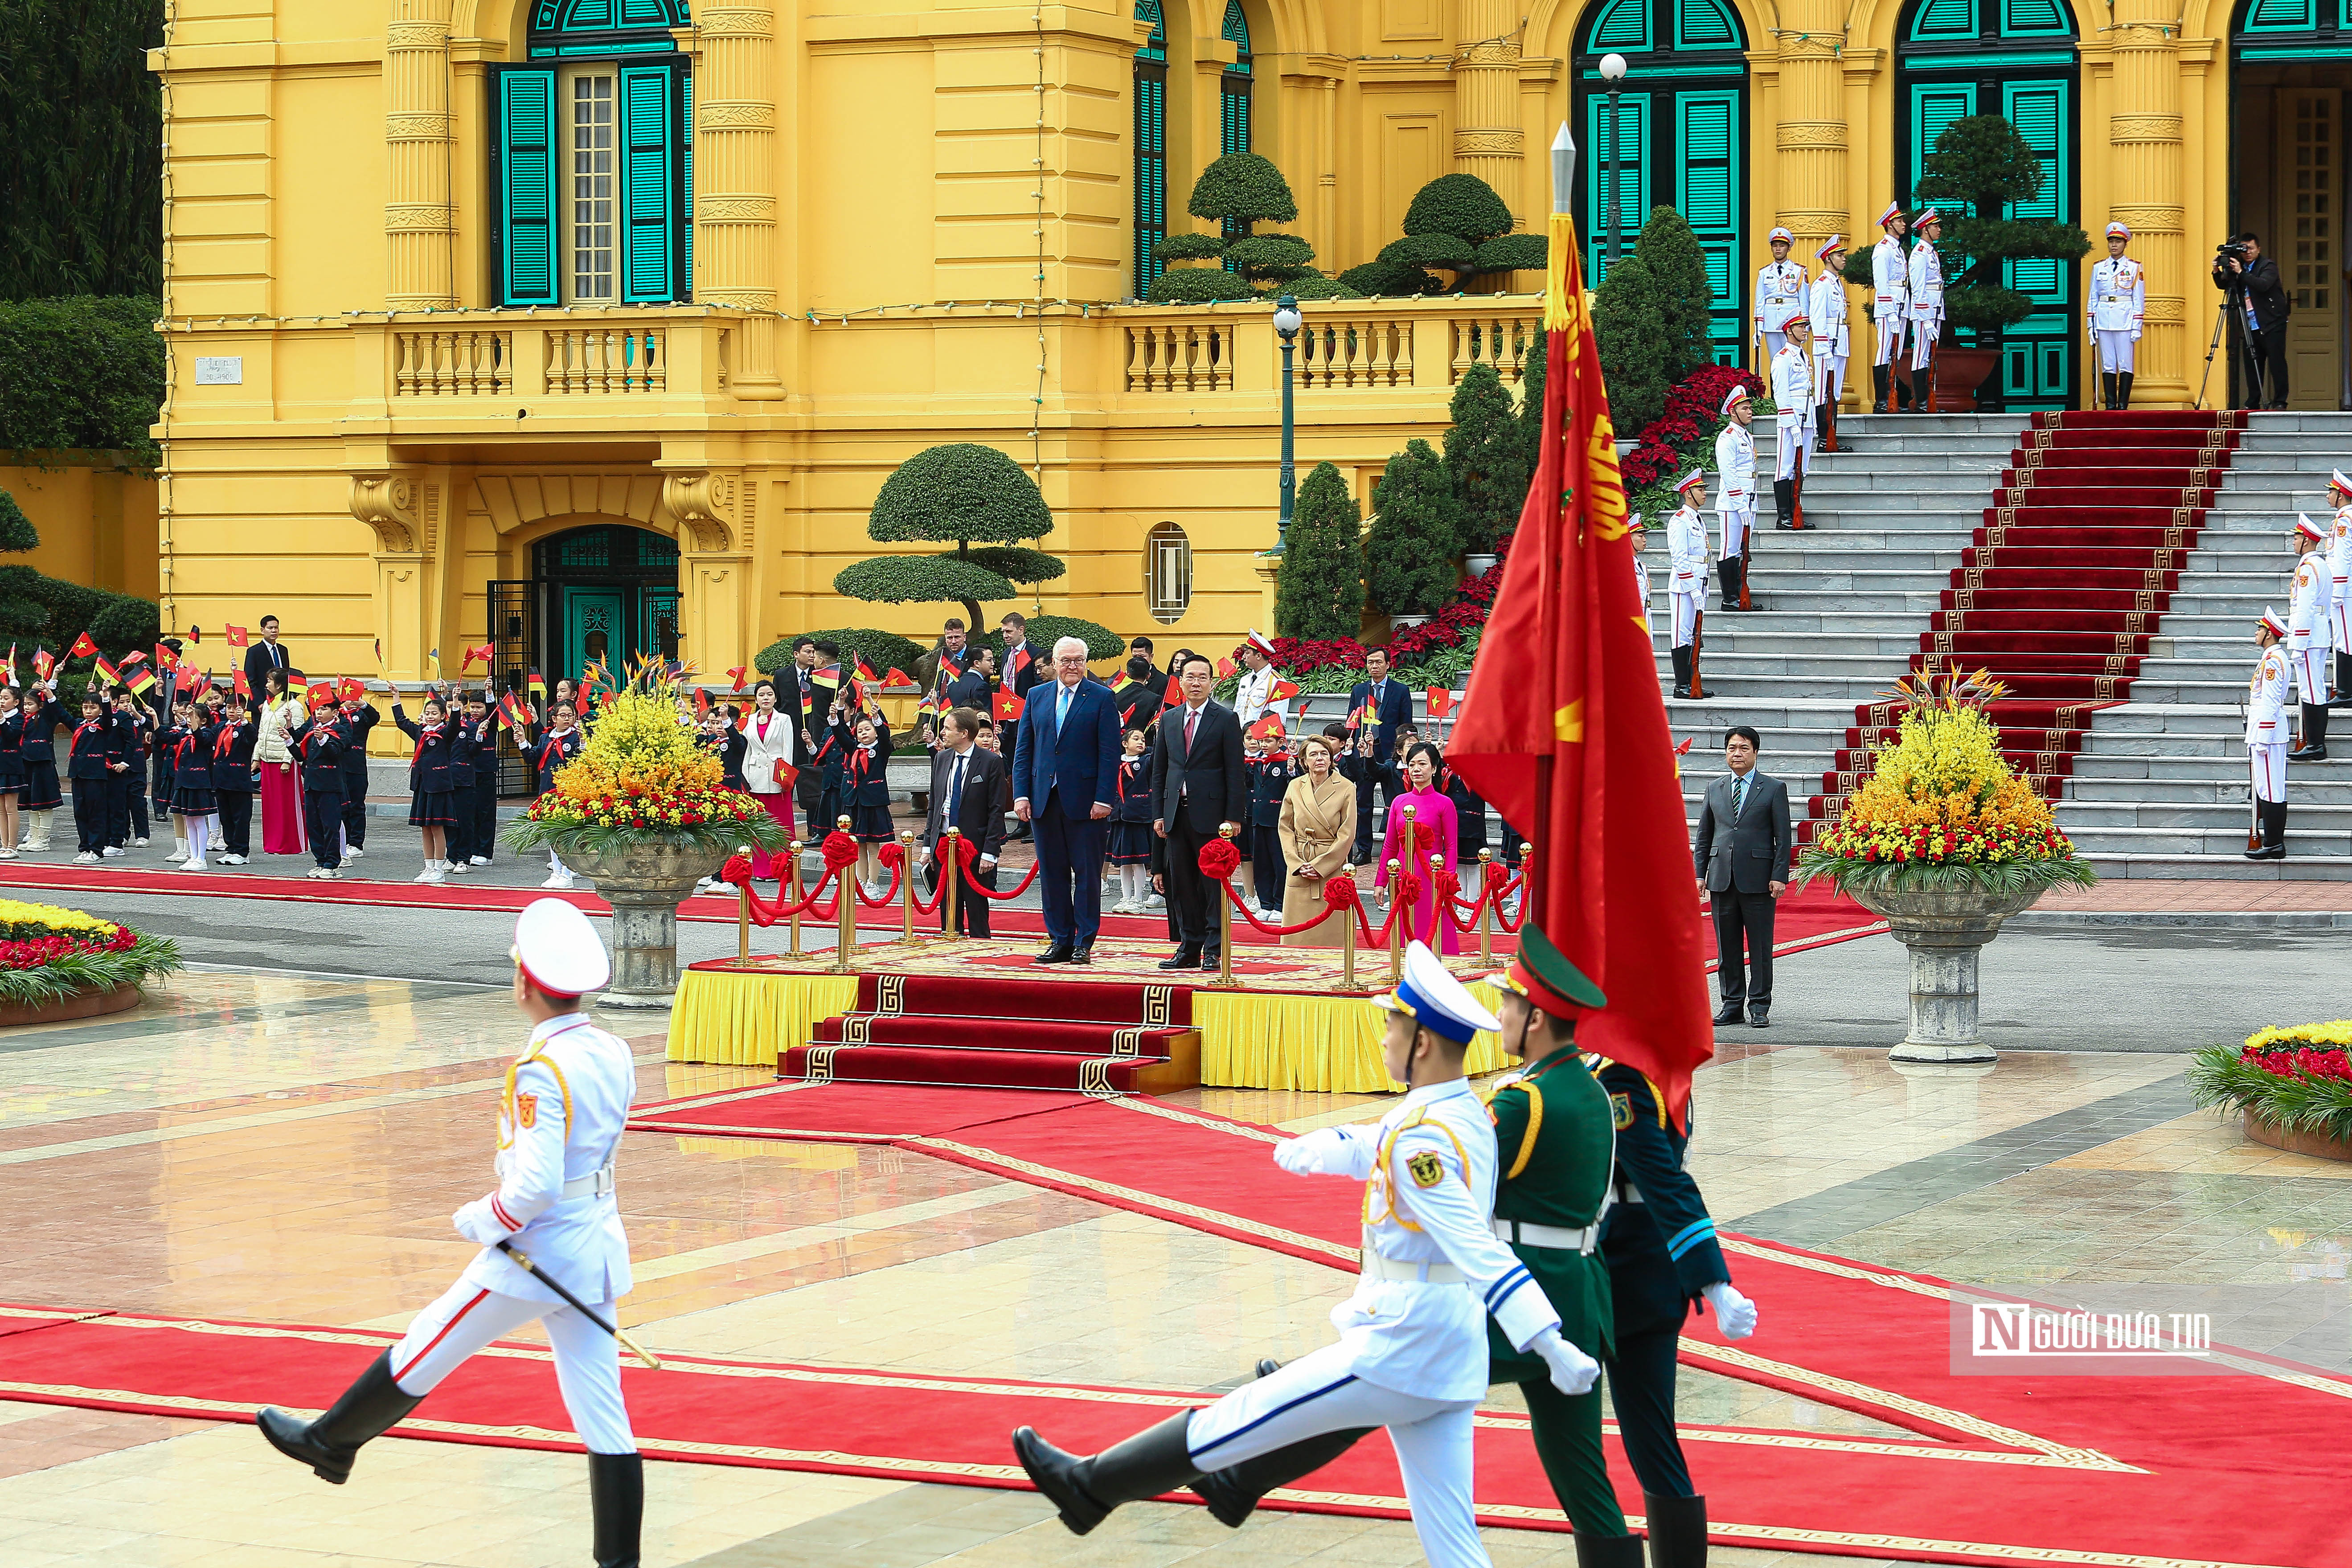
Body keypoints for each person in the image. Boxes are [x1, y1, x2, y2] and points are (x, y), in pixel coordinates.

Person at [1011, 943, 1597, 1564]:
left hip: (1401, 1342)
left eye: (1391, 1025)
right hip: (1444, 1346)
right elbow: (1383, 1139)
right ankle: (1157, 1488)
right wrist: (1329, 1145)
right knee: (1452, 1538)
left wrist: (1547, 1340)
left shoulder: (1424, 1135)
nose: (1383, 1038)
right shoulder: (1461, 1112)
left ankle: (1088, 1488)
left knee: (1237, 1416)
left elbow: (1478, 1247)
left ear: (1421, 1042)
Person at [1181, 927, 1641, 1564]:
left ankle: (1240, 1476)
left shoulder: (1522, 1103)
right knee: (1582, 1476)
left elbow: (1436, 1160)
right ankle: (1245, 1473)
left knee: (1385, 1383)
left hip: (1512, 1295)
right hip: (1580, 1294)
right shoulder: (1591, 1088)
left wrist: (1346, 1145)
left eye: (1508, 1002)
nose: (1500, 1013)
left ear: (1535, 1019)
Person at [257, 899, 641, 1564]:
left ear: (524, 983)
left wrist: (481, 1218)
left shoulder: (540, 1071)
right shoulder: (611, 1047)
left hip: (536, 1249)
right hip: (595, 1241)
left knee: (428, 1341)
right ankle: (620, 1562)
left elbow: (536, 1185)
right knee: (604, 1413)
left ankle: (332, 1441)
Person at [1589, 1040, 1758, 1557]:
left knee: (1616, 1448)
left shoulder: (1622, 1076)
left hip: (1621, 1273)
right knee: (1642, 1444)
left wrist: (1712, 1279)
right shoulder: (1652, 1066)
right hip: (1637, 1271)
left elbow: (1664, 1182)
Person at [1011, 635, 1121, 964]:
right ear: (1054, 664)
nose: (1072, 666)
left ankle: (1083, 941)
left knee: (1087, 874)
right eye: (1065, 660)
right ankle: (1059, 938)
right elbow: (1024, 749)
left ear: (1085, 663)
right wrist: (1021, 794)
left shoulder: (1102, 697)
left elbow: (1109, 752)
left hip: (1087, 802)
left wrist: (1104, 797)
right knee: (1053, 873)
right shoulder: (1036, 695)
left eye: (1077, 660)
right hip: (1044, 798)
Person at [1151, 652, 1246, 973]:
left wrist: (1234, 817)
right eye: (1190, 677)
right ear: (1180, 680)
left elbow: (1235, 771)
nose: (1196, 683)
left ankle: (1214, 948)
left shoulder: (1225, 719)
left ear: (1211, 682)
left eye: (1202, 677)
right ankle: (1189, 945)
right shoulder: (1170, 718)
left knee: (1212, 885)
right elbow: (1160, 770)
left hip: (1214, 818)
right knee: (1183, 885)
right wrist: (1159, 813)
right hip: (1177, 815)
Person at [1693, 725, 1792, 1028]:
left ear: (1756, 752)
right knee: (1728, 947)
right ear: (1726, 753)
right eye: (1732, 748)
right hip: (1722, 877)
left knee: (1760, 947)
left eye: (1744, 748)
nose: (1737, 753)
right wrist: (1700, 874)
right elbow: (1705, 835)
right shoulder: (1715, 788)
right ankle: (1731, 1004)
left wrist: (1779, 875)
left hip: (1759, 879)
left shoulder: (1773, 788)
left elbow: (1783, 836)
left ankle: (1759, 1006)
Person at [922, 706, 1009, 936]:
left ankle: (980, 953)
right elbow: (935, 804)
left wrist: (990, 852)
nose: (943, 732)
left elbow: (996, 811)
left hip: (975, 845)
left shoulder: (990, 762)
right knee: (948, 906)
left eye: (948, 728)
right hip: (943, 844)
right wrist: (927, 846)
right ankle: (949, 951)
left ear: (964, 734)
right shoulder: (942, 758)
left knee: (976, 907)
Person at [1373, 741, 1459, 956]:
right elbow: (1390, 845)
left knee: (1433, 926)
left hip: (1433, 876)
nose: (1416, 770)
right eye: (1412, 765)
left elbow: (1450, 846)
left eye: (1422, 764)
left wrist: (1447, 878)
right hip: (1404, 874)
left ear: (1434, 768)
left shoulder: (1444, 803)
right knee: (1405, 924)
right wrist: (1381, 882)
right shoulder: (1399, 802)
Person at [1276, 734, 1355, 948]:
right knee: (1297, 933)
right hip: (1301, 861)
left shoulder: (1347, 788)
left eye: (1324, 754)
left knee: (1333, 933)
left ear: (1331, 759)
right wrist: (1296, 864)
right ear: (1304, 761)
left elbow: (1347, 833)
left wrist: (1321, 866)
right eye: (1313, 754)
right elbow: (1285, 827)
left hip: (1331, 864)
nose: (1319, 758)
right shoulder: (1294, 786)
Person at [2213, 231, 2290, 409]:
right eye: (2244, 249)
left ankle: (2280, 401)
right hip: (2250, 324)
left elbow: (2262, 285)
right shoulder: (2239, 267)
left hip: (2272, 323)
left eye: (2251, 249)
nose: (2247, 253)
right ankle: (2253, 401)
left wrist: (2241, 272)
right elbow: (2225, 285)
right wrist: (2217, 271)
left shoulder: (2267, 266)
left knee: (2277, 363)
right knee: (2252, 363)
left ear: (2258, 249)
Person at [393, 689, 460, 883]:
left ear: (442, 716)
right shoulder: (420, 732)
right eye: (428, 713)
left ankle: (439, 869)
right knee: (425, 827)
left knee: (437, 827)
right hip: (423, 784)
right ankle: (428, 867)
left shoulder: (445, 733)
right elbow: (401, 722)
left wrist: (455, 701)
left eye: (435, 714)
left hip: (439, 785)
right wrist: (397, 697)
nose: (431, 717)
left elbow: (455, 724)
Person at [2247, 608, 2293, 859]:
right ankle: (2273, 842)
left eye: (2260, 629)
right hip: (2265, 730)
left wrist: (2262, 736)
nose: (2256, 633)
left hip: (2269, 733)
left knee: (2271, 788)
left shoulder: (2274, 661)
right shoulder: (2271, 658)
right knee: (2267, 787)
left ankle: (2274, 843)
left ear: (2269, 634)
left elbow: (2272, 701)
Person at [2288, 513, 2334, 760]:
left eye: (2296, 538)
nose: (2294, 543)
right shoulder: (2322, 565)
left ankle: (2316, 745)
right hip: (2318, 634)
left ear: (2306, 540)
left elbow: (2304, 608)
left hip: (2309, 637)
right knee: (2315, 687)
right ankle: (2315, 742)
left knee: (2311, 690)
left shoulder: (2308, 569)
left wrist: (2298, 643)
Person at [741, 679, 797, 878]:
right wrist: (744, 779)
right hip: (755, 777)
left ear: (775, 698)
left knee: (780, 824)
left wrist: (786, 780)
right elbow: (746, 750)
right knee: (758, 825)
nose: (766, 698)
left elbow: (788, 750)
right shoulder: (748, 720)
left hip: (777, 777)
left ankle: (783, 868)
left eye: (770, 694)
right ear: (756, 699)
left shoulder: (784, 720)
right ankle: (759, 869)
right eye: (762, 695)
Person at [837, 708, 895, 897]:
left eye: (868, 729)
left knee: (872, 845)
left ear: (875, 730)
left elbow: (886, 736)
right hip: (855, 802)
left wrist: (875, 711)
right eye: (860, 731)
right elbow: (840, 734)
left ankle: (873, 882)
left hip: (873, 802)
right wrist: (837, 710)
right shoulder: (854, 749)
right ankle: (861, 882)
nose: (864, 733)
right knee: (858, 844)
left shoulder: (881, 749)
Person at [2088, 221, 2145, 410]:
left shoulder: (2134, 267)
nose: (2114, 245)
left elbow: (2138, 299)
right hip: (2104, 319)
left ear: (2125, 243)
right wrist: (2091, 324)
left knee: (2125, 363)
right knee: (2109, 364)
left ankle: (2123, 405)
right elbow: (2093, 297)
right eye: (2111, 241)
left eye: (2118, 242)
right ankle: (2111, 405)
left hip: (2125, 319)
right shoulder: (2099, 267)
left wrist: (2137, 326)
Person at [532, 701, 587, 888]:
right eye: (563, 716)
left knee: (566, 832)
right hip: (548, 790)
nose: (567, 719)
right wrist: (522, 741)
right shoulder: (546, 738)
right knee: (552, 833)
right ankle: (556, 872)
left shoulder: (574, 737)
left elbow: (582, 761)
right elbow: (534, 757)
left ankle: (567, 873)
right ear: (554, 719)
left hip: (567, 790)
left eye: (570, 715)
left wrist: (584, 743)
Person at [1665, 469, 1710, 699]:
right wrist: (1692, 588)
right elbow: (1680, 558)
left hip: (1698, 583)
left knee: (1694, 634)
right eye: (1700, 490)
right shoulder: (1679, 521)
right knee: (1681, 635)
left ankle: (1692, 681)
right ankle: (1681, 684)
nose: (1704, 494)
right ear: (1688, 493)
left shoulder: (1697, 520)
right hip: (1685, 587)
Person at [1711, 388, 1756, 612]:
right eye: (1744, 409)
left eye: (1750, 408)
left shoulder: (1746, 436)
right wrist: (1740, 504)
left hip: (1748, 501)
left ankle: (1741, 592)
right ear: (1732, 412)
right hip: (1733, 504)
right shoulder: (1727, 439)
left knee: (1741, 550)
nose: (1750, 412)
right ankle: (1730, 597)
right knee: (1729, 549)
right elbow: (1729, 475)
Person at [1770, 314, 1816, 531]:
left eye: (1805, 326)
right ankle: (1785, 516)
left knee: (1802, 467)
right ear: (1789, 330)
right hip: (1792, 418)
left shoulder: (1804, 356)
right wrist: (1791, 424)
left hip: (1807, 414)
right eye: (1800, 327)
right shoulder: (1782, 358)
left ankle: (1796, 509)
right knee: (1786, 466)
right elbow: (1780, 394)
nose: (1805, 330)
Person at [296, 692, 348, 880]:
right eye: (317, 709)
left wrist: (323, 740)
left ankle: (333, 864)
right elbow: (302, 755)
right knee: (314, 825)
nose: (319, 713)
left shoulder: (341, 729)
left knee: (330, 825)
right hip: (311, 782)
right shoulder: (313, 729)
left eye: (324, 709)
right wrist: (288, 737)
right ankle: (320, 860)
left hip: (330, 784)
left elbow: (336, 752)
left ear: (335, 712)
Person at [66, 692, 124, 862]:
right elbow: (62, 714)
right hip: (78, 773)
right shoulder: (79, 724)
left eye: (93, 708)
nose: (88, 711)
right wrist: (50, 694)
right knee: (80, 812)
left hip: (96, 776)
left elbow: (108, 717)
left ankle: (97, 850)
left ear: (99, 710)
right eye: (85, 707)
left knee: (96, 813)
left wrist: (105, 698)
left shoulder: (104, 725)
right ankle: (85, 847)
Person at [257, 667, 307, 856]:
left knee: (286, 806)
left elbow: (296, 736)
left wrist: (288, 759)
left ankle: (292, 844)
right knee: (271, 807)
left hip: (284, 762)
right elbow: (262, 732)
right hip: (268, 760)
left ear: (280, 685)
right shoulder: (268, 704)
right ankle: (272, 843)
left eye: (270, 681)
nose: (267, 684)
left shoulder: (294, 706)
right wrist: (257, 757)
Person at [1246, 722, 1293, 917]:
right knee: (1261, 863)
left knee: (1279, 863)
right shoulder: (1257, 763)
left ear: (1280, 742)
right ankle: (1265, 903)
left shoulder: (1286, 763)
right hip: (1258, 819)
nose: (1264, 745)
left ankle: (1280, 904)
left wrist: (1292, 770)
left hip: (1277, 821)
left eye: (1269, 741)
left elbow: (1293, 786)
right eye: (1262, 741)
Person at [1106, 726, 1155, 914]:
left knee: (1138, 860)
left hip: (1138, 816)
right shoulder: (1116, 763)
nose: (1141, 742)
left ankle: (1138, 899)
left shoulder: (1146, 762)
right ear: (1125, 744)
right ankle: (1126, 898)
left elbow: (1159, 754)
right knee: (1124, 861)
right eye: (1136, 739)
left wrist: (1159, 735)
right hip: (1120, 816)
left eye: (1143, 739)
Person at [13, 679, 64, 854]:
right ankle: (34, 836)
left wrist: (49, 692)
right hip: (27, 764)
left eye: (31, 704)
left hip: (42, 765)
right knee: (32, 804)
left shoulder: (46, 718)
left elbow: (53, 708)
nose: (26, 707)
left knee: (44, 804)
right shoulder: (23, 720)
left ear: (40, 706)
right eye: (25, 704)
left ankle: (43, 839)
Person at [1869, 201, 1911, 412]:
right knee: (1885, 350)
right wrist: (1890, 313)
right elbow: (1881, 283)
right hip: (1890, 308)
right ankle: (1882, 400)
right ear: (1889, 224)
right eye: (1899, 221)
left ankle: (1893, 396)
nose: (1904, 224)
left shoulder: (1897, 249)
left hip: (1901, 304)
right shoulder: (1883, 250)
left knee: (1897, 353)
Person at [170, 696, 221, 870]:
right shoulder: (185, 734)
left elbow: (200, 738)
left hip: (199, 782)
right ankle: (193, 856)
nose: (191, 719)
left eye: (195, 717)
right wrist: (153, 718)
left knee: (199, 821)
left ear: (203, 720)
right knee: (188, 820)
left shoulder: (208, 733)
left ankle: (201, 858)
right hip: (184, 781)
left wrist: (191, 719)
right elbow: (164, 736)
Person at [1809, 235, 1849, 452]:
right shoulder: (1822, 285)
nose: (1843, 259)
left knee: (1834, 392)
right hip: (1828, 346)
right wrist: (1824, 349)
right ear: (1828, 258)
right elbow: (1817, 318)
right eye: (1839, 255)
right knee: (1824, 392)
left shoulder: (1836, 283)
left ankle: (1832, 434)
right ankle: (1824, 438)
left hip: (1839, 342)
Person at [1907, 208, 1946, 410]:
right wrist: (1926, 319)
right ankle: (1921, 401)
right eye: (1935, 226)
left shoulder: (1931, 252)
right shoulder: (1919, 255)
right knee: (1921, 353)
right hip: (1925, 311)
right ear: (1925, 230)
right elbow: (1918, 288)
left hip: (1935, 307)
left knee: (1930, 355)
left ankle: (1928, 399)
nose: (1939, 229)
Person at [212, 695, 259, 864]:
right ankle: (230, 848)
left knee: (241, 817)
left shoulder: (247, 728)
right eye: (229, 708)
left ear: (243, 709)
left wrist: (244, 720)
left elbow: (252, 740)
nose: (232, 711)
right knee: (226, 817)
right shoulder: (221, 727)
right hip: (221, 778)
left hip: (239, 780)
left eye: (236, 708)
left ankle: (242, 851)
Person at [1751, 225, 1805, 369]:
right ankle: (1776, 392)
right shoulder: (1764, 273)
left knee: (1794, 360)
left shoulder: (1799, 271)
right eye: (1775, 246)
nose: (1778, 249)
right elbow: (1760, 302)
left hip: (1792, 321)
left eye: (1782, 246)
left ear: (1789, 248)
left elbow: (1805, 301)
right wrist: (1758, 328)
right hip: (1771, 322)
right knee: (1775, 362)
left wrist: (1804, 325)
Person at [1346, 647, 1412, 764]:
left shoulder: (1401, 690)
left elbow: (1406, 723)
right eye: (1370, 662)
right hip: (1363, 748)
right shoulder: (1358, 690)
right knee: (1364, 782)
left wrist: (1402, 748)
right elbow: (1352, 720)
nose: (1374, 666)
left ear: (1387, 665)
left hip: (1390, 749)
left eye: (1379, 662)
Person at [459, 689, 500, 868]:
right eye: (473, 707)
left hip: (486, 771)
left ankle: (485, 852)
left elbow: (493, 711)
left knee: (486, 812)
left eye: (479, 707)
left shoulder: (490, 721)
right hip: (469, 771)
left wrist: (490, 693)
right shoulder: (466, 721)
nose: (475, 710)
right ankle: (472, 850)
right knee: (470, 813)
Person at [338, 688, 380, 863]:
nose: (350, 701)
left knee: (356, 806)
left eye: (354, 698)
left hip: (356, 767)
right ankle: (342, 842)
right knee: (341, 807)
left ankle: (356, 844)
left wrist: (363, 705)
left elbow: (375, 718)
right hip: (339, 766)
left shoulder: (361, 716)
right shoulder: (337, 717)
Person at [111, 689, 151, 849]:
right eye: (122, 702)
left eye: (128, 701)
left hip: (137, 766)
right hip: (119, 766)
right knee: (120, 802)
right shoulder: (114, 719)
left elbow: (151, 725)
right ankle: (122, 835)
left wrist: (136, 714)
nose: (126, 705)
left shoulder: (137, 717)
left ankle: (142, 835)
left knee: (137, 802)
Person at [2330, 469, 2352, 707]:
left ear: (2341, 495)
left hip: (2345, 589)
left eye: (2332, 492)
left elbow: (2343, 557)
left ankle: (2346, 692)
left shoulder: (2344, 519)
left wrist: (2337, 590)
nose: (2329, 496)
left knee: (2345, 638)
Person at [1232, 630, 1280, 728]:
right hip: (1242, 735)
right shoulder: (1245, 680)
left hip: (1261, 738)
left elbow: (1277, 718)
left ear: (1259, 656)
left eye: (1247, 653)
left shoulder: (1276, 681)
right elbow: (1238, 709)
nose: (1243, 657)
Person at [0, 686, 25, 859]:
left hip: (11, 766)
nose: (2, 702)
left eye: (6, 698)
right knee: (1, 809)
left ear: (16, 702)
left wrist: (2, 720)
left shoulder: (18, 718)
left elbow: (12, 736)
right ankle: (4, 845)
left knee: (10, 808)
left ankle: (13, 846)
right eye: (1, 698)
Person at [997, 612, 1045, 700]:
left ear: (1021, 630)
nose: (1005, 636)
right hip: (1006, 707)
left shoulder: (1035, 654)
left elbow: (1040, 685)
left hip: (1026, 706)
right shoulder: (1006, 653)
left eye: (1009, 632)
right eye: (1003, 632)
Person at [242, 614, 291, 697]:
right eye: (270, 628)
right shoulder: (254, 651)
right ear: (262, 630)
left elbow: (286, 674)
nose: (274, 631)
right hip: (262, 700)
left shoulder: (283, 650)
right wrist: (260, 703)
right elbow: (250, 680)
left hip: (282, 699)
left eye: (276, 628)